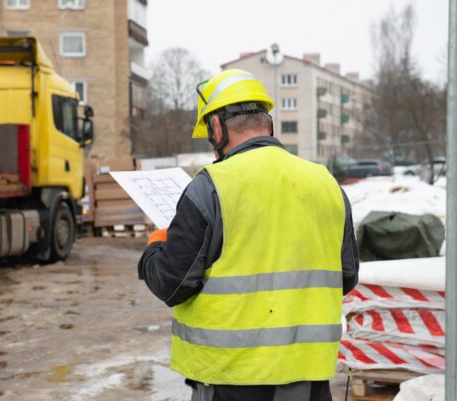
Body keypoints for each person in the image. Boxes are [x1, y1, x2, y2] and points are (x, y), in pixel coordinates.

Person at [138, 69, 359, 401]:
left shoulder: (210, 186)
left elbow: (173, 283)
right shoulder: (326, 183)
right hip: (308, 381)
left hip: (231, 379)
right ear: (267, 123)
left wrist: (156, 247)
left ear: (216, 126)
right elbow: (347, 276)